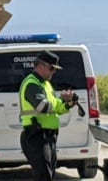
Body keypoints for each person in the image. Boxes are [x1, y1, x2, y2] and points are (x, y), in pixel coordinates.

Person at [19, 50, 77, 181]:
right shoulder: (32, 84)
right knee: (43, 176)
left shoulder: (45, 84)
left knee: (48, 175)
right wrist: (61, 98)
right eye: (52, 68)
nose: (54, 72)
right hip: (36, 136)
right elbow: (43, 107)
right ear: (40, 66)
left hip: (48, 137)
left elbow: (56, 107)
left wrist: (68, 103)